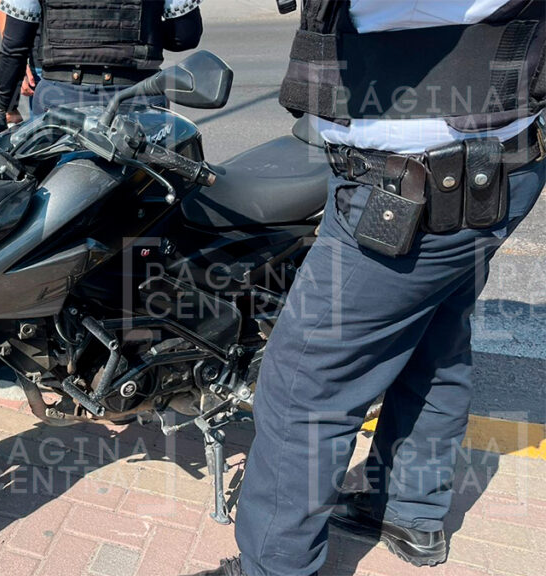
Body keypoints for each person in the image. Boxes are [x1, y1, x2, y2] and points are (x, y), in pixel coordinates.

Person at [198, 1, 546, 575]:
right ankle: (410, 511)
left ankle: (274, 567)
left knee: (303, 386)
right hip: (489, 169)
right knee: (435, 342)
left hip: (411, 190)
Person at [0, 0, 203, 122]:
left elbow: (14, 45)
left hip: (59, 97)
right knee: (150, 190)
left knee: (54, 190)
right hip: (137, 94)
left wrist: (7, 108)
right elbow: (186, 36)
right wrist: (146, 33)